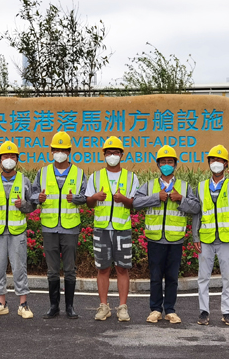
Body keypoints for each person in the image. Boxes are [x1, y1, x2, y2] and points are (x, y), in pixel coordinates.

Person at [132, 145, 201, 324]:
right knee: (155, 277)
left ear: (175, 164)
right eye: (163, 162)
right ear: (158, 165)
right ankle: (155, 310)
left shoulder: (184, 187)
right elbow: (136, 203)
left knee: (172, 277)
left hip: (175, 239)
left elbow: (196, 208)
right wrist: (156, 197)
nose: (167, 165)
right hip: (155, 239)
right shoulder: (150, 186)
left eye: (170, 162)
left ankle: (170, 310)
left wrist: (181, 199)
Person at [31, 131, 87, 319]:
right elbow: (33, 194)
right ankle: (53, 306)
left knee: (70, 270)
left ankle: (70, 307)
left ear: (69, 151)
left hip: (70, 227)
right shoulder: (43, 172)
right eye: (56, 149)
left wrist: (76, 198)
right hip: (49, 226)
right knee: (52, 270)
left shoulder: (79, 173)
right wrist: (38, 198)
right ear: (52, 151)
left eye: (63, 150)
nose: (60, 153)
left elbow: (86, 196)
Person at [86, 136, 139, 322]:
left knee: (122, 268)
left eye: (116, 152)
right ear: (104, 155)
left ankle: (122, 307)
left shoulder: (131, 177)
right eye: (109, 153)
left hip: (122, 228)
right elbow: (89, 203)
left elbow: (135, 204)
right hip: (101, 228)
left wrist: (124, 200)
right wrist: (95, 197)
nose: (112, 156)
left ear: (122, 155)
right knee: (103, 268)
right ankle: (104, 306)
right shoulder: (95, 176)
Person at [192, 144, 229, 326]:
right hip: (206, 238)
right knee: (203, 277)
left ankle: (227, 312)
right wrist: (195, 237)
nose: (216, 163)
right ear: (209, 163)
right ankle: (204, 312)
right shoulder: (201, 186)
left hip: (226, 238)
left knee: (227, 277)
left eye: (219, 160)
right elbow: (197, 213)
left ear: (226, 163)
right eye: (213, 159)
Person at [0, 141, 35, 319]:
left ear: (17, 160)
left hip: (17, 231)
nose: (9, 159)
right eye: (5, 156)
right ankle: (1, 304)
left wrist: (23, 205)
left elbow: (32, 206)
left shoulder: (24, 180)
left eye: (12, 156)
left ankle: (23, 305)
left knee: (19, 267)